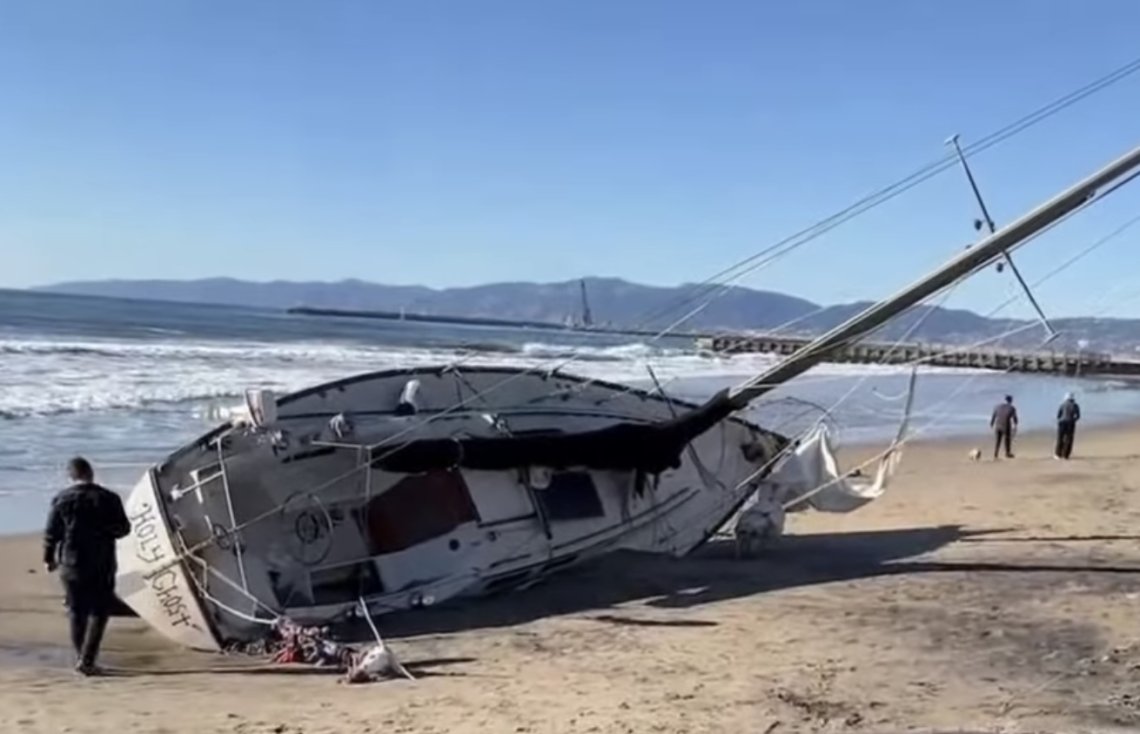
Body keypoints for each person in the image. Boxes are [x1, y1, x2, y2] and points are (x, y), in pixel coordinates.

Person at [43, 457, 131, 676]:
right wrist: (104, 530)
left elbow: (51, 533)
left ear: (71, 477)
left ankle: (81, 657)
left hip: (70, 563)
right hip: (101, 561)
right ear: (91, 473)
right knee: (99, 612)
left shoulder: (61, 499)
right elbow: (123, 529)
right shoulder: (108, 498)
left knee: (76, 611)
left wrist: (48, 559)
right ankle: (87, 659)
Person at [990, 394, 1018, 460]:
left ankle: (995, 454)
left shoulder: (997, 407)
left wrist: (991, 424)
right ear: (1011, 401)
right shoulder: (1012, 408)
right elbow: (1015, 419)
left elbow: (993, 416)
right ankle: (1007, 453)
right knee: (1007, 439)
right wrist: (1015, 425)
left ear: (1004, 400)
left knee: (998, 440)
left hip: (998, 425)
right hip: (1006, 426)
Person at [1055, 391, 1081, 460]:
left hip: (1062, 423)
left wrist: (1059, 420)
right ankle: (1066, 455)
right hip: (1070, 423)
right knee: (1069, 439)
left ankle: (1058, 454)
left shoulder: (1062, 404)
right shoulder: (1075, 405)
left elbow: (1058, 415)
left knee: (1060, 438)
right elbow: (1078, 416)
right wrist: (1073, 420)